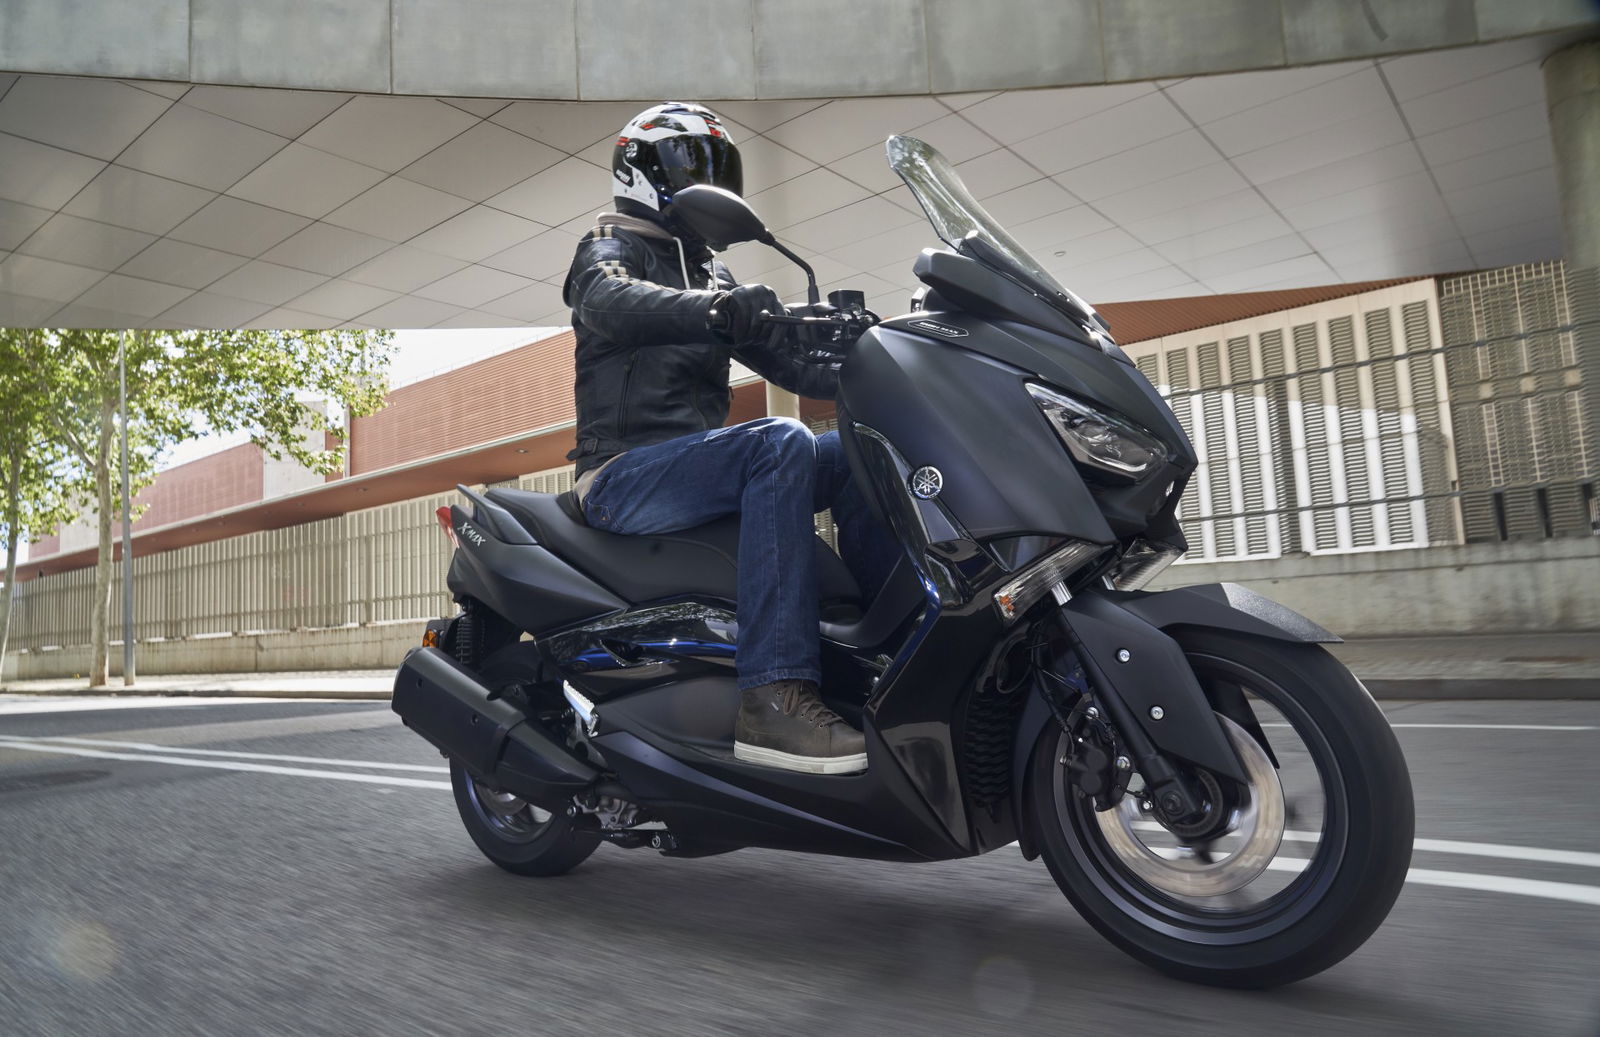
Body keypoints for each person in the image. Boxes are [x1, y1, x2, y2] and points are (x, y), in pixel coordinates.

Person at [561, 102, 892, 775]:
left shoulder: (712, 275)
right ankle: (773, 698)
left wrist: (862, 351)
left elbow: (792, 367)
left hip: (694, 471)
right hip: (621, 475)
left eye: (717, 166)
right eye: (692, 163)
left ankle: (880, 654)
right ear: (642, 172)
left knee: (858, 444)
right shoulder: (608, 247)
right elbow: (608, 301)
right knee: (780, 440)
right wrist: (715, 310)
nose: (708, 179)